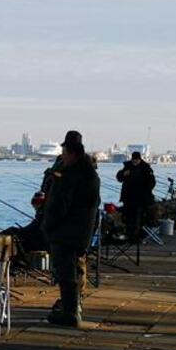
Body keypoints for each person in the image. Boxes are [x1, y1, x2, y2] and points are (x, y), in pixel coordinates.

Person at [42, 132, 100, 327]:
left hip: (66, 232)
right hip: (82, 231)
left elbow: (60, 205)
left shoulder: (71, 174)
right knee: (73, 272)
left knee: (67, 275)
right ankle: (72, 309)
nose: (62, 156)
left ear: (72, 153)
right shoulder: (90, 172)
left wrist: (47, 225)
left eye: (64, 152)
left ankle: (69, 313)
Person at [116, 152, 156, 237]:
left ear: (140, 159)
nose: (134, 161)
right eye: (133, 159)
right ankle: (129, 234)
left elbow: (152, 182)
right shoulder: (127, 167)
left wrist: (145, 191)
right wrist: (123, 174)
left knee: (139, 217)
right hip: (128, 197)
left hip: (141, 198)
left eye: (136, 160)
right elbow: (119, 177)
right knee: (128, 217)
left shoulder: (146, 168)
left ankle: (138, 235)